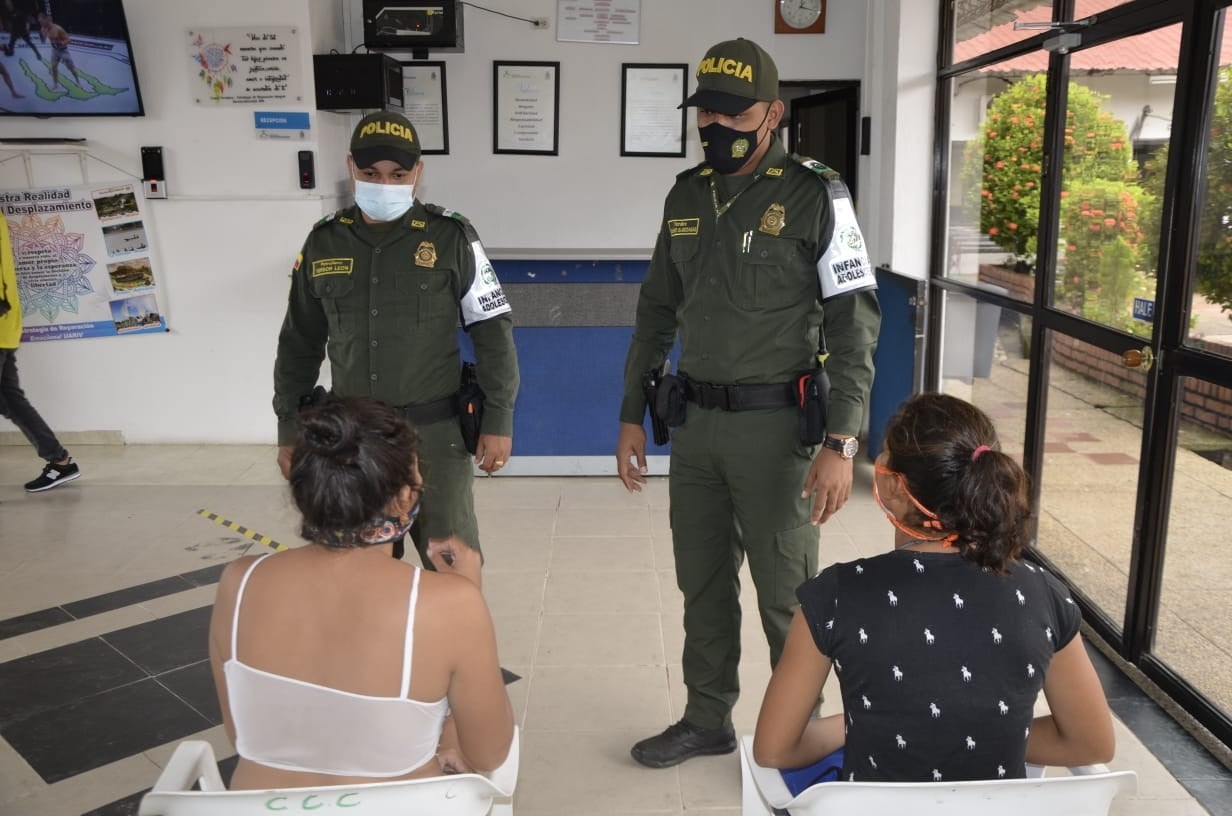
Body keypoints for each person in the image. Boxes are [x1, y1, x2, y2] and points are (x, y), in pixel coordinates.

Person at [617, 38, 881, 768]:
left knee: (787, 595)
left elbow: (855, 321)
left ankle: (807, 735)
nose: (716, 126)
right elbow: (655, 312)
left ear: (773, 113)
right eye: (706, 112)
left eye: (733, 113)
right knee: (701, 584)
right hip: (695, 426)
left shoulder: (815, 192)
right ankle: (706, 718)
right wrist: (632, 412)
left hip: (778, 434)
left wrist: (842, 442)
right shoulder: (685, 195)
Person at [753, 393, 1115, 782]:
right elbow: (1091, 743)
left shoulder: (835, 596)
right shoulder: (1043, 595)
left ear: (892, 486)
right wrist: (980, 732)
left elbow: (774, 749)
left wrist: (867, 724)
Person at [208, 396, 514, 789]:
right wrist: (466, 594)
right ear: (404, 499)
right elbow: (489, 752)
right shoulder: (449, 604)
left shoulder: (239, 582)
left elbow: (244, 738)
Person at [273, 111, 519, 564]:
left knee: (451, 560)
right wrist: (289, 426)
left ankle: (449, 638)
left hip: (436, 436)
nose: (384, 184)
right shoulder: (325, 241)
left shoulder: (452, 237)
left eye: (398, 174)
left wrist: (498, 418)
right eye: (371, 174)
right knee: (355, 570)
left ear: (418, 173)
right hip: (352, 443)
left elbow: (492, 330)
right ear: (351, 168)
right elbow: (299, 343)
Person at [0, 214, 80, 492]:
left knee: (10, 400)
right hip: (5, 327)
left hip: (1, 322)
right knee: (10, 401)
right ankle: (60, 462)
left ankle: (60, 461)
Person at [37, 13, 79, 90]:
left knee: (71, 68)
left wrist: (61, 43)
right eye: (39, 22)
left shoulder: (58, 29)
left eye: (41, 21)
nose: (40, 23)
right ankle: (55, 84)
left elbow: (69, 40)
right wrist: (42, 36)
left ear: (46, 19)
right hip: (55, 50)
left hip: (63, 50)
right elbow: (43, 41)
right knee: (53, 67)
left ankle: (78, 82)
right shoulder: (43, 29)